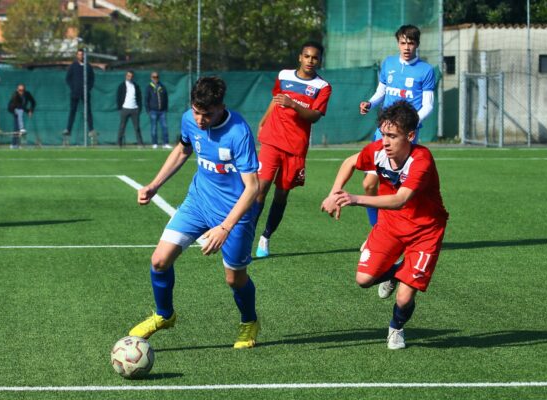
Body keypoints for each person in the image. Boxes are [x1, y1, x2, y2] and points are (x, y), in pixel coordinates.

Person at [129, 76, 261, 349]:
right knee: (159, 261)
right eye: (196, 112)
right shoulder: (189, 120)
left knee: (234, 279)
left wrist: (225, 227)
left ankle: (249, 321)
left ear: (221, 106)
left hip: (234, 213)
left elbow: (252, 189)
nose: (200, 120)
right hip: (198, 202)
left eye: (207, 114)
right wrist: (154, 185)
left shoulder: (239, 132)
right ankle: (164, 314)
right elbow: (182, 150)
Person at [321, 101, 448, 350]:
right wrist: (334, 193)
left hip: (426, 231)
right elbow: (349, 162)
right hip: (390, 225)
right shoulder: (377, 150)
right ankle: (400, 270)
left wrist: (354, 198)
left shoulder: (421, 160)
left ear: (410, 136)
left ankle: (396, 328)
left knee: (404, 296)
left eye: (392, 136)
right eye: (383, 134)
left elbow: (400, 199)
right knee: (364, 279)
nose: (385, 141)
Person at [254, 41, 332, 258]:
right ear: (300, 57)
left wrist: (294, 105)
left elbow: (315, 116)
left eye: (315, 58)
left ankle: (266, 237)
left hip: (296, 147)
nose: (310, 61)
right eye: (307, 56)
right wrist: (263, 122)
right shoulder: (284, 75)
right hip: (272, 139)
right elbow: (276, 100)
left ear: (319, 61)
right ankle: (246, 235)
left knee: (282, 194)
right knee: (259, 189)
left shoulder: (323, 87)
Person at [359, 25, 435, 226]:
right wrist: (370, 103)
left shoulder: (426, 70)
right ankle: (377, 231)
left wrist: (411, 124)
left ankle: (404, 232)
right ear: (398, 43)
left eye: (411, 43)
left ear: (417, 44)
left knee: (399, 192)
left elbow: (428, 105)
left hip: (404, 137)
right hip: (383, 133)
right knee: (369, 184)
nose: (407, 47)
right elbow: (381, 91)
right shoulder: (389, 64)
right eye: (403, 43)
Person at [63, 49, 96, 145]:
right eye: (79, 54)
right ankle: (68, 129)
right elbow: (68, 78)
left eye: (82, 54)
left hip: (85, 93)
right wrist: (73, 88)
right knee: (72, 111)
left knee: (88, 111)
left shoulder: (88, 67)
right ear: (77, 55)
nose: (81, 56)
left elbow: (92, 79)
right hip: (75, 93)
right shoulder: (73, 66)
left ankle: (91, 129)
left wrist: (88, 89)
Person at [116, 70, 144, 147]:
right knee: (122, 127)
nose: (130, 77)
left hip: (134, 109)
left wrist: (139, 108)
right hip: (125, 108)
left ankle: (140, 144)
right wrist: (120, 108)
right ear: (126, 76)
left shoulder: (136, 86)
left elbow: (139, 98)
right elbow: (118, 97)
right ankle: (119, 143)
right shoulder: (122, 86)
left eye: (131, 76)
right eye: (128, 76)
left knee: (137, 127)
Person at [145, 71, 172, 149]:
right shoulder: (149, 87)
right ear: (151, 78)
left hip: (162, 111)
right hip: (153, 110)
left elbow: (166, 98)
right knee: (154, 128)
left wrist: (166, 108)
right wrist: (148, 110)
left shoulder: (162, 86)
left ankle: (165, 143)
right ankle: (154, 143)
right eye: (154, 77)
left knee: (164, 127)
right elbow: (146, 99)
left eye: (156, 77)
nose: (155, 79)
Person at [7, 84, 36, 149]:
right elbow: (19, 106)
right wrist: (28, 111)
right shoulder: (15, 95)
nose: (21, 92)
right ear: (17, 90)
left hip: (21, 109)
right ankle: (22, 128)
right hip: (13, 108)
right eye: (20, 90)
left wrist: (31, 110)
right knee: (19, 112)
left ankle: (14, 145)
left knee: (16, 126)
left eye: (23, 90)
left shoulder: (27, 94)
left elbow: (33, 102)